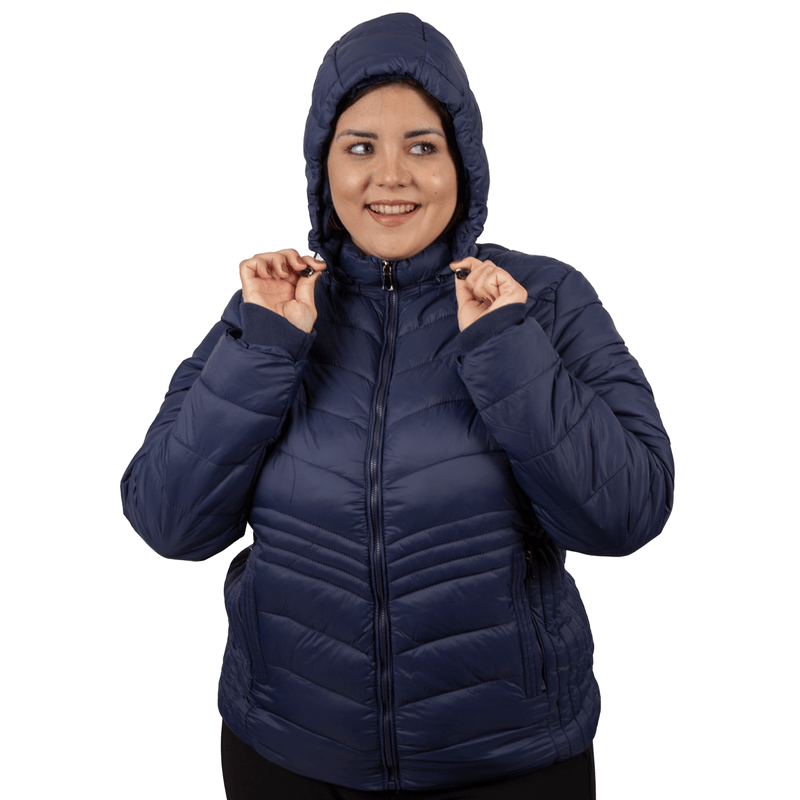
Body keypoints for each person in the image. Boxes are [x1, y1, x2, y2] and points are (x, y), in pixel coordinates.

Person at [121, 12, 674, 799]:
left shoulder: (541, 300)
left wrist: (506, 346)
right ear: (323, 166)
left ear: (463, 164)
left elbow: (625, 515)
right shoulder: (273, 308)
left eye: (421, 146)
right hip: (288, 758)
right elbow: (169, 522)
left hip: (509, 762)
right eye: (360, 148)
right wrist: (265, 350)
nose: (391, 176)